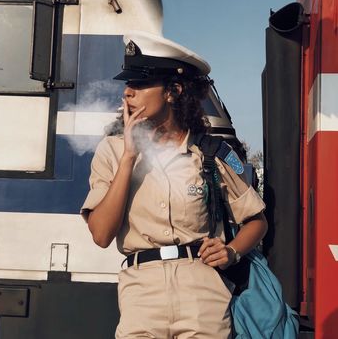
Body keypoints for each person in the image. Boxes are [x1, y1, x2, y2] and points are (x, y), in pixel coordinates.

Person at [81, 31, 268, 339]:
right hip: (141, 294)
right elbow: (101, 234)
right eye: (128, 84)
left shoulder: (214, 154)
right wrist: (129, 157)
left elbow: (257, 221)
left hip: (203, 293)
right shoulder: (112, 152)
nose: (128, 92)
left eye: (140, 84)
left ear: (173, 90)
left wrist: (231, 251)